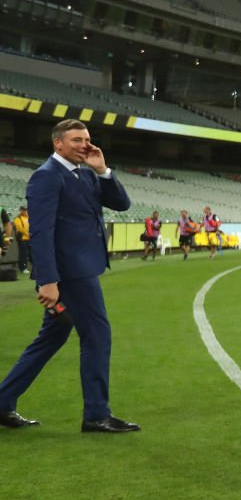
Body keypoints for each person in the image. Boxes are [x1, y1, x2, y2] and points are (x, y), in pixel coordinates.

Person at [0, 118, 139, 433]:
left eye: (87, 139)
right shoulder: (46, 177)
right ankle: (96, 414)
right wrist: (47, 281)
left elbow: (121, 203)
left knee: (51, 338)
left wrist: (103, 171)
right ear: (57, 143)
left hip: (83, 268)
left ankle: (2, 402)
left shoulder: (87, 175)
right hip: (71, 274)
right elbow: (42, 232)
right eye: (76, 140)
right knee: (97, 335)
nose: (84, 145)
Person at [13, 205, 31, 274]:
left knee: (32, 254)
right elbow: (20, 229)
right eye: (24, 210)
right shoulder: (18, 219)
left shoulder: (29, 217)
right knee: (23, 254)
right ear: (21, 211)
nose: (25, 211)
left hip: (30, 238)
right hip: (22, 239)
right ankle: (23, 268)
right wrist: (29, 234)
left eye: (26, 210)